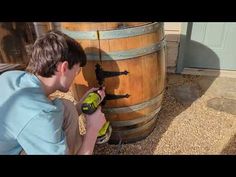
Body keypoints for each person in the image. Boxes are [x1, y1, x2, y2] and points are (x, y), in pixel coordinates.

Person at [0, 30, 106, 155]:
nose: (75, 77)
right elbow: (40, 118)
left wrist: (80, 107)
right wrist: (92, 130)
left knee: (67, 107)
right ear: (64, 68)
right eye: (76, 72)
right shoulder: (40, 114)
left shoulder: (11, 77)